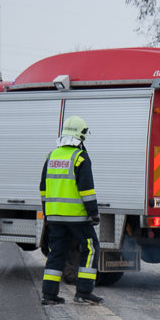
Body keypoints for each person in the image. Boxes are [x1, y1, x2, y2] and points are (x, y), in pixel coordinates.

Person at [39, 115, 102, 306]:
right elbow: (86, 190)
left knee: (56, 252)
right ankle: (83, 292)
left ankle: (49, 295)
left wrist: (47, 213)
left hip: (55, 216)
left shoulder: (52, 156)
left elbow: (43, 188)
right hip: (77, 217)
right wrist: (94, 214)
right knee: (91, 248)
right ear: (81, 136)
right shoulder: (80, 158)